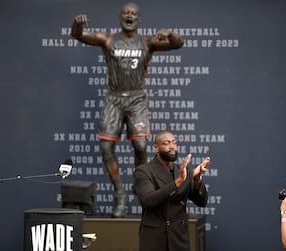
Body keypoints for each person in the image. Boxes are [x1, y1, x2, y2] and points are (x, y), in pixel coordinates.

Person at [71, 3, 184, 218]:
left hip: (136, 99)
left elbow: (178, 44)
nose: (129, 16)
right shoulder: (108, 40)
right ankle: (119, 193)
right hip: (113, 98)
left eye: (134, 13)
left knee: (141, 145)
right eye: (126, 13)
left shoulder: (148, 43)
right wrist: (76, 24)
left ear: (139, 19)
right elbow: (78, 35)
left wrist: (170, 33)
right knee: (105, 147)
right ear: (120, 17)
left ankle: (138, 184)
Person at [133, 130, 210, 251]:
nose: (172, 146)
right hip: (155, 240)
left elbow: (202, 202)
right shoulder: (143, 171)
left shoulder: (183, 171)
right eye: (166, 143)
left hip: (179, 238)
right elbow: (149, 200)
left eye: (174, 142)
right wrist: (177, 182)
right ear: (156, 148)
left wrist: (196, 179)